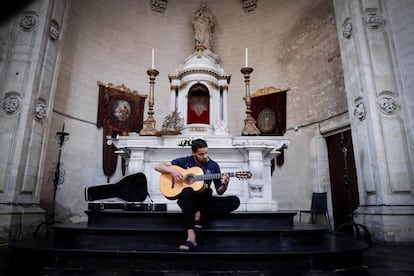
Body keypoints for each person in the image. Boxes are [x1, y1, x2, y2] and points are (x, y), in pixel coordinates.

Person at [155, 138, 240, 251]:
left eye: (206, 152)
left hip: (205, 200)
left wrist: (225, 185)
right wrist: (173, 171)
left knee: (234, 201)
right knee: (186, 191)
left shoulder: (213, 166)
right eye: (201, 154)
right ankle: (191, 235)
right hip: (188, 200)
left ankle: (199, 214)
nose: (205, 156)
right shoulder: (186, 161)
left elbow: (219, 191)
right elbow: (158, 166)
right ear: (194, 153)